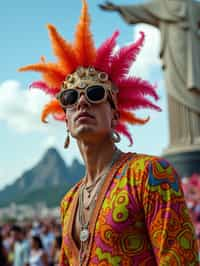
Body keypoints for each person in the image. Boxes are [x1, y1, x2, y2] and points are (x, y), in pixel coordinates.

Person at [18, 0, 199, 265]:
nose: (81, 102)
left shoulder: (149, 175)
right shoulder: (69, 201)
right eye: (70, 97)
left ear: (115, 114)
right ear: (66, 120)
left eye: (94, 93)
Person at [99, 0, 200, 150]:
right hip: (172, 54)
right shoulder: (163, 4)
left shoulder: (193, 6)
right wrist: (119, 8)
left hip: (193, 53)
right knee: (176, 93)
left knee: (193, 91)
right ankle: (180, 139)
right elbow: (142, 10)